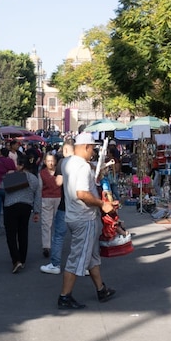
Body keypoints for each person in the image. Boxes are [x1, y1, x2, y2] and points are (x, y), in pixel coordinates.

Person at [57, 132, 117, 309]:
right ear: (86, 147)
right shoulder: (82, 167)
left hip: (72, 215)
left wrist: (94, 169)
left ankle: (101, 289)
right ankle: (64, 296)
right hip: (84, 217)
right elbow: (82, 194)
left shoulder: (68, 162)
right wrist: (102, 204)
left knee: (91, 256)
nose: (93, 153)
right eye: (92, 149)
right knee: (77, 258)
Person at [0, 153, 41, 273]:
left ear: (22, 165)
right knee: (23, 233)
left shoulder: (15, 176)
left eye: (18, 163)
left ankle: (16, 260)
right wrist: (37, 211)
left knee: (11, 235)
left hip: (11, 206)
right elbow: (37, 196)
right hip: (26, 207)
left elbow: (2, 186)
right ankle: (22, 259)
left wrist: (7, 176)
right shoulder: (33, 178)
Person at [41, 140, 73, 275]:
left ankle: (55, 263)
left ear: (65, 150)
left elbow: (58, 182)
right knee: (80, 237)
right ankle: (84, 265)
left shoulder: (63, 163)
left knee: (58, 234)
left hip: (64, 203)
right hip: (81, 205)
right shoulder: (83, 164)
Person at [39, 154, 62, 260]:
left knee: (57, 223)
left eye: (52, 161)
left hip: (58, 198)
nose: (50, 163)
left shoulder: (60, 172)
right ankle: (46, 246)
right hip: (46, 198)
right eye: (48, 161)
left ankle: (55, 243)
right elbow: (39, 188)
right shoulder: (41, 173)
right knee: (46, 223)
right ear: (44, 162)